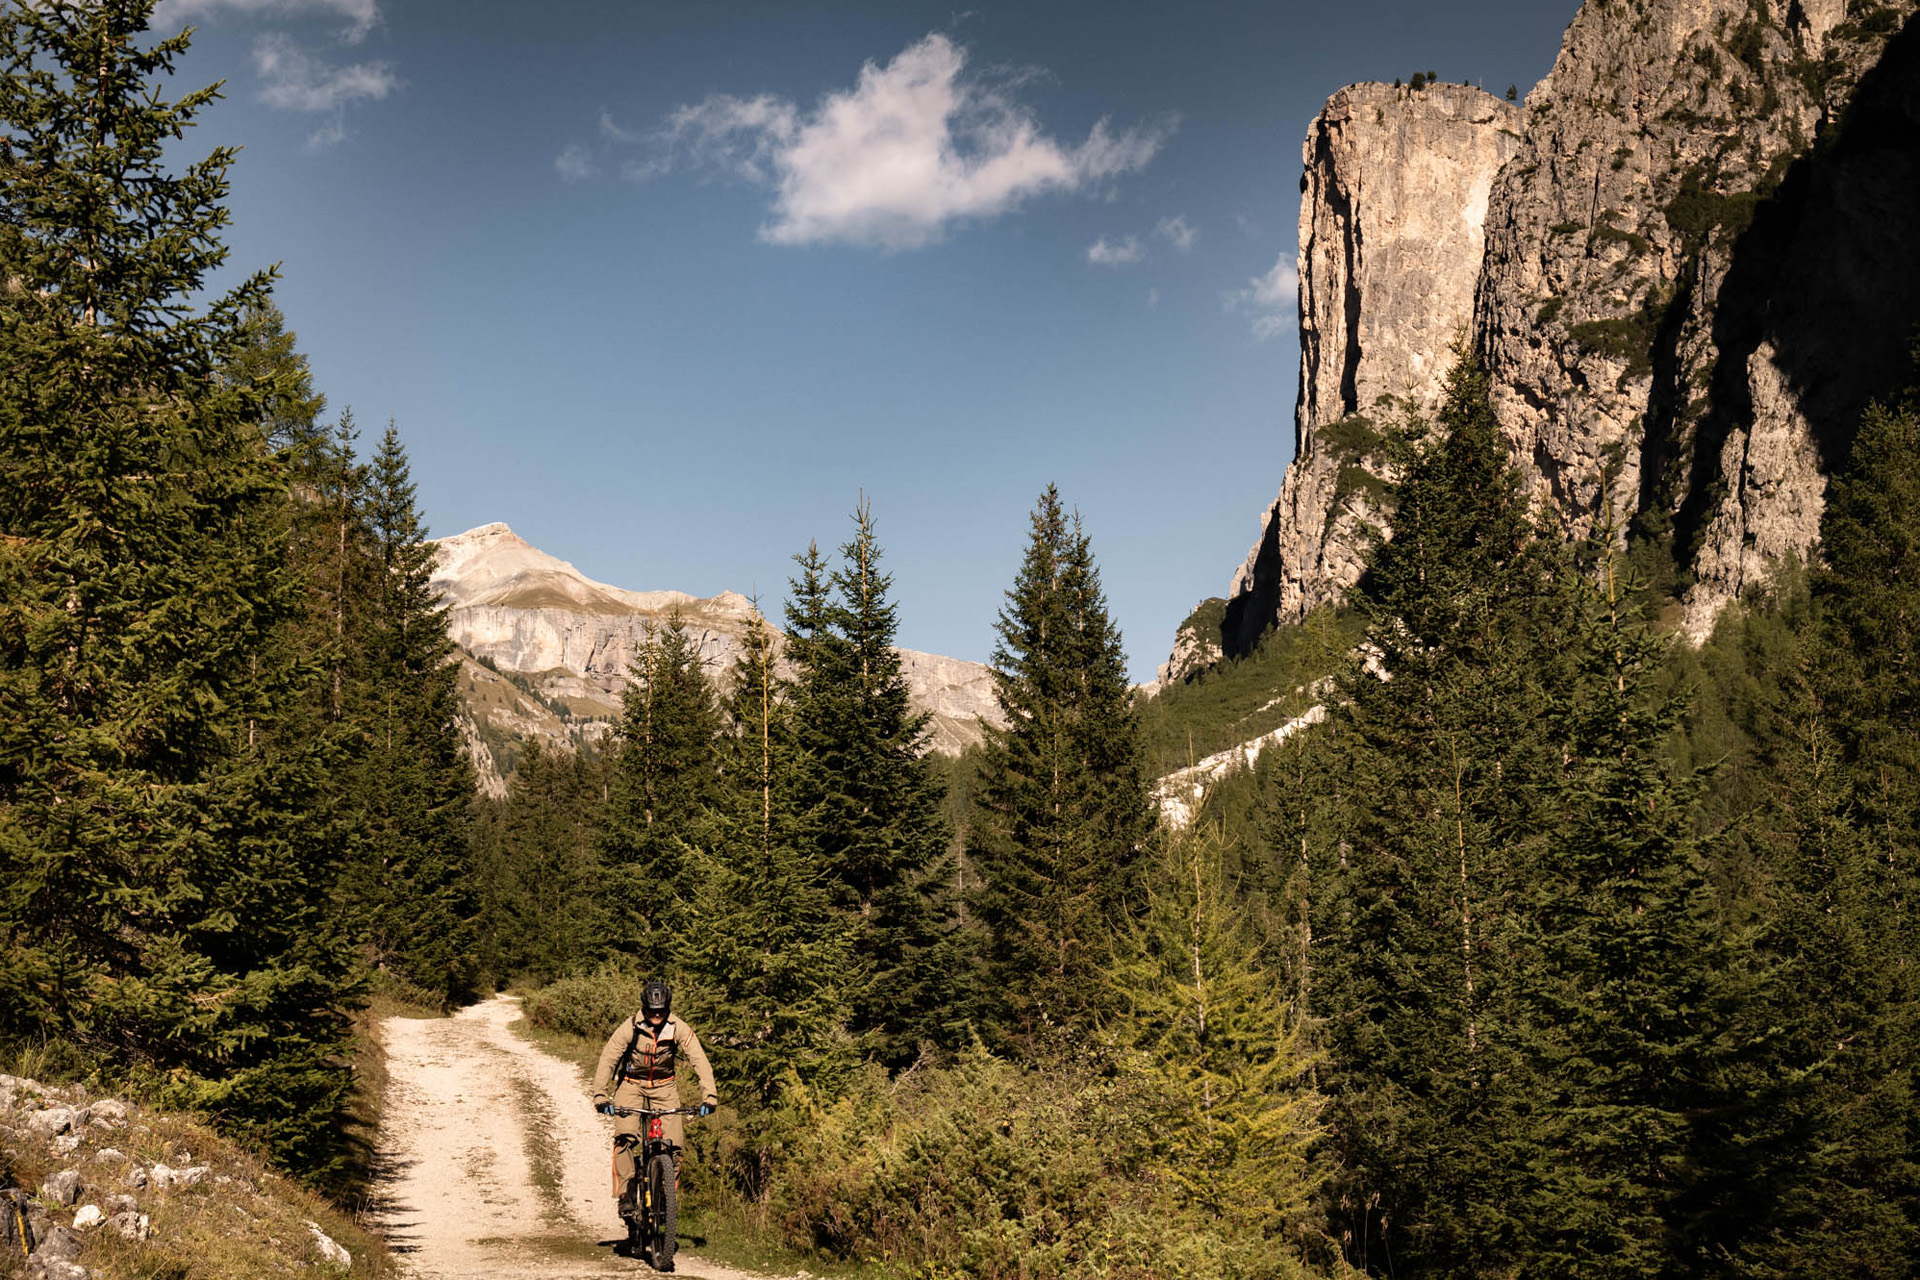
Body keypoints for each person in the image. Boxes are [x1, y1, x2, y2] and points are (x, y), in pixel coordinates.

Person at [590, 977, 719, 1213]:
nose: (656, 1016)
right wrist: (600, 1095)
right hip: (631, 1084)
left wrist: (709, 1096)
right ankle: (626, 1194)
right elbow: (609, 1058)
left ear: (667, 1008)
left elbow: (699, 1059)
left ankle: (665, 1194)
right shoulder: (630, 1027)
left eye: (660, 1011)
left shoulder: (678, 1027)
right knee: (625, 1137)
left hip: (664, 1086)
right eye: (652, 1011)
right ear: (644, 1008)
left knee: (674, 1146)